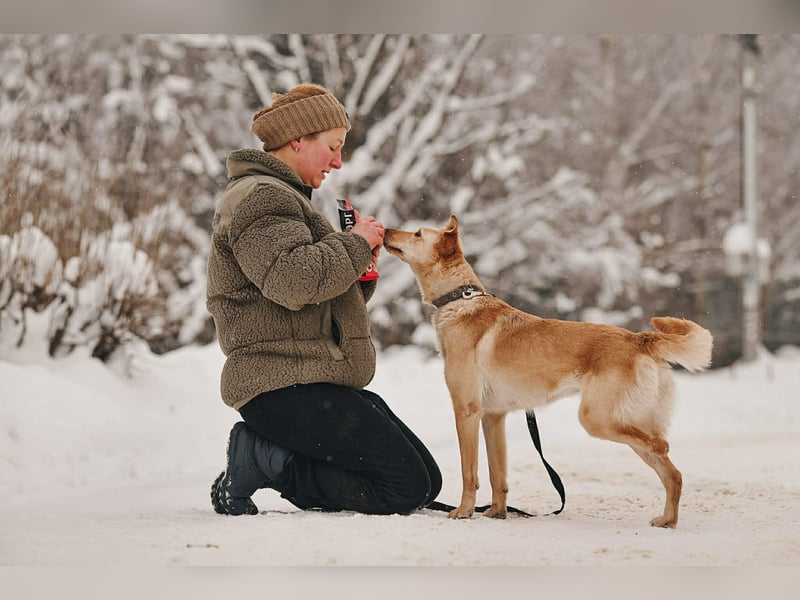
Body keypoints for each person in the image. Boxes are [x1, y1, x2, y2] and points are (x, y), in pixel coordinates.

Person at [206, 83, 442, 516]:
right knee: (403, 488)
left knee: (426, 482)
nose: (338, 161)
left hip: (308, 378)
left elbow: (310, 295)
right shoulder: (262, 198)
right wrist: (353, 245)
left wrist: (358, 267)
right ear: (298, 140)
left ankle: (274, 456)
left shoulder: (286, 198)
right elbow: (294, 282)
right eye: (333, 147)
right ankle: (263, 459)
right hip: (278, 384)